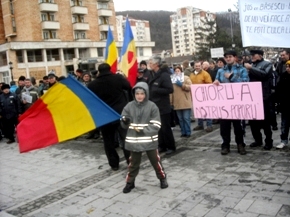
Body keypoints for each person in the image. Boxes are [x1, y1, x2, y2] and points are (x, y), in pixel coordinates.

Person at [120, 82, 168, 193]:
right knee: (133, 164)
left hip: (149, 141)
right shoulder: (129, 106)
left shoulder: (152, 106)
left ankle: (162, 178)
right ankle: (130, 182)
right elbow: (123, 122)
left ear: (146, 94)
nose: (140, 96)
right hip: (134, 141)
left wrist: (144, 130)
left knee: (155, 162)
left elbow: (156, 124)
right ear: (134, 94)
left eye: (142, 93)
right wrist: (125, 121)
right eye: (137, 93)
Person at [88, 63, 131, 170]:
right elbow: (129, 87)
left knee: (108, 141)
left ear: (98, 71)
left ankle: (114, 164)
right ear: (110, 69)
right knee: (125, 138)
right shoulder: (117, 78)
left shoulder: (93, 84)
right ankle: (130, 161)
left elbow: (90, 99)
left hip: (104, 115)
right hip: (120, 112)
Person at [213, 50, 249, 155]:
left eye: (230, 57)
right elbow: (217, 81)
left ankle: (240, 144)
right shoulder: (220, 71)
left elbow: (246, 83)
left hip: (237, 103)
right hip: (225, 104)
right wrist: (216, 83)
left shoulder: (242, 69)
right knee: (224, 127)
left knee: (238, 127)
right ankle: (225, 145)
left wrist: (232, 77)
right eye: (226, 57)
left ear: (235, 57)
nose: (228, 59)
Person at [244, 49, 273, 150]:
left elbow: (264, 75)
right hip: (251, 96)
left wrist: (251, 68)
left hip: (263, 96)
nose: (252, 56)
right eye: (251, 55)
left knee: (265, 121)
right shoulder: (250, 64)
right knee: (253, 121)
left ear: (260, 55)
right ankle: (258, 140)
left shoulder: (267, 64)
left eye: (254, 55)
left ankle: (269, 141)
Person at [148, 56, 176, 155]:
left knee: (165, 127)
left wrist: (156, 90)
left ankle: (171, 146)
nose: (149, 64)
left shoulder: (164, 75)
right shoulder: (152, 74)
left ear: (156, 64)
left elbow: (170, 89)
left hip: (163, 105)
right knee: (158, 128)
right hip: (154, 105)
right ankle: (162, 145)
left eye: (151, 63)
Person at [190, 61, 213, 132]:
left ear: (201, 66)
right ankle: (200, 124)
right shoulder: (191, 74)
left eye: (199, 66)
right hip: (195, 96)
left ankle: (209, 125)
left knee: (207, 110)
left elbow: (209, 84)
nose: (197, 67)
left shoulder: (205, 74)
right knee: (198, 110)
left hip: (204, 95)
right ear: (194, 66)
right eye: (196, 66)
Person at [171, 66, 192, 137]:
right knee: (180, 119)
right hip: (177, 102)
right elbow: (171, 92)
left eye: (178, 71)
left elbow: (190, 87)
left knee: (186, 118)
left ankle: (188, 132)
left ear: (181, 71)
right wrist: (171, 102)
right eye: (176, 71)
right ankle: (183, 132)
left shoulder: (186, 78)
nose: (177, 72)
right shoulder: (172, 80)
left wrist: (182, 85)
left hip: (185, 101)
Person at [275, 60, 290, 149]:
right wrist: (278, 101)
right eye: (287, 67)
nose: (288, 68)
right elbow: (279, 89)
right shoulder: (283, 76)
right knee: (284, 124)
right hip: (285, 104)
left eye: (289, 67)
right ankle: (283, 140)